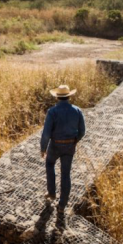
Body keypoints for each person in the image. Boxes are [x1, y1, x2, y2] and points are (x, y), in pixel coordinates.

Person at [40, 84, 86, 213]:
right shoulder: (77, 110)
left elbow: (46, 133)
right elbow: (82, 131)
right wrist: (75, 140)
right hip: (70, 145)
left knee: (50, 165)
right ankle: (62, 205)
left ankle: (51, 193)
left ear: (57, 97)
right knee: (66, 174)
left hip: (55, 145)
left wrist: (43, 148)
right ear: (69, 96)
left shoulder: (52, 111)